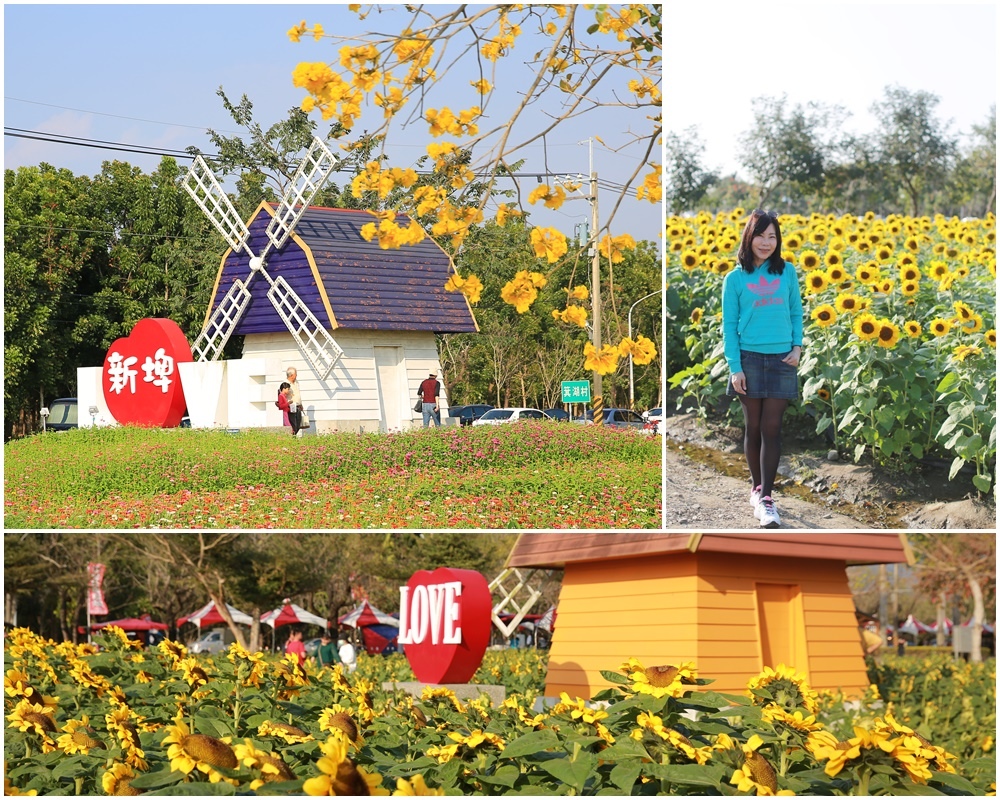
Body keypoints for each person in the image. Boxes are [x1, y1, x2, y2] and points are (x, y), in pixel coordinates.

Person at [722, 209, 803, 529]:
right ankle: (757, 488)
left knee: (772, 428)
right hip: (749, 360)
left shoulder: (788, 272)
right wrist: (735, 367)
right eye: (761, 235)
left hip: (783, 358)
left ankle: (767, 498)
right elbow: (729, 326)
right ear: (749, 237)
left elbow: (796, 311)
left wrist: (797, 347)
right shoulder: (735, 278)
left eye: (773, 237)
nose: (767, 243)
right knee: (753, 426)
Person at [286, 367, 304, 437]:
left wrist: (301, 404)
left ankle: (294, 436)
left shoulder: (296, 382)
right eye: (295, 374)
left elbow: (298, 393)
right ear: (291, 375)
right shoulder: (286, 383)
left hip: (298, 405)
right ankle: (292, 437)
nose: (296, 375)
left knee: (298, 424)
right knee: (293, 424)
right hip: (291, 406)